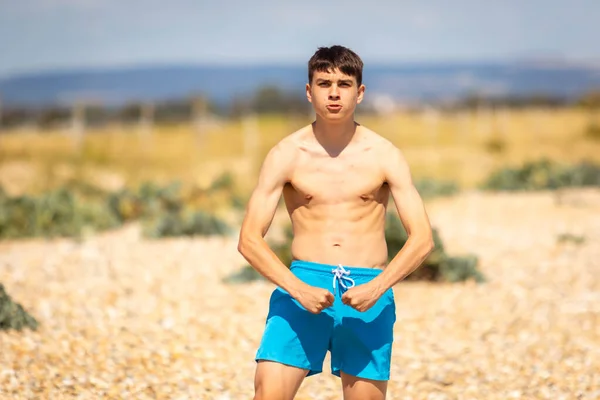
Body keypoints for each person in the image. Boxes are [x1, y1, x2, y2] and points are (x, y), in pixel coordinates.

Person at [237, 45, 434, 400]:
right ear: (308, 91)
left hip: (369, 289)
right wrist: (297, 288)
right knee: (267, 394)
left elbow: (422, 239)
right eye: (323, 83)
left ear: (359, 93)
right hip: (301, 285)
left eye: (344, 84)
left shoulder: (384, 155)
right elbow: (249, 239)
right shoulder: (287, 154)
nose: (333, 93)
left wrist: (379, 287)